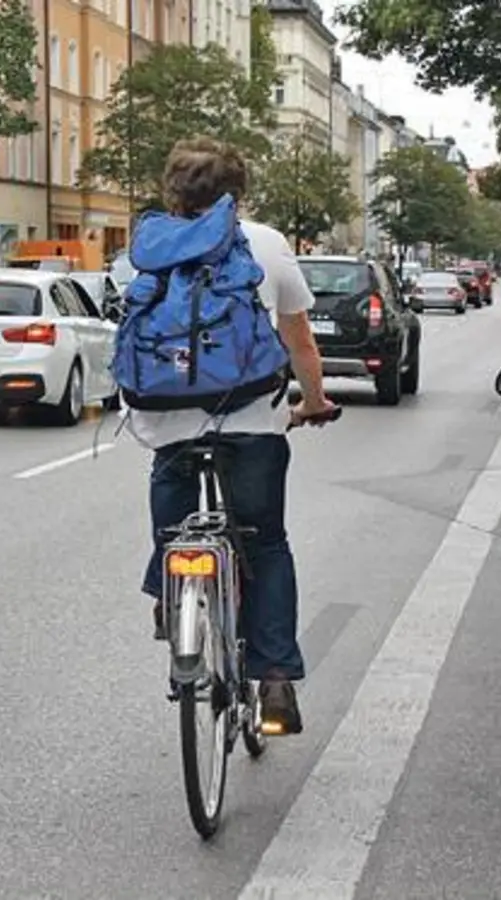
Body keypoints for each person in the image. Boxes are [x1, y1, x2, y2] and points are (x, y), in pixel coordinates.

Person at [127, 138, 337, 735]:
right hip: (250, 421)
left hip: (166, 420)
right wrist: (314, 403)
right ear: (237, 195)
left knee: (173, 523)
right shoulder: (267, 244)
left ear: (173, 191)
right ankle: (274, 681)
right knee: (265, 544)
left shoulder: (145, 248)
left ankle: (171, 587)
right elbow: (300, 343)